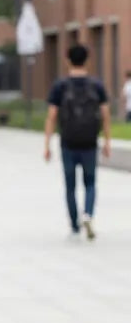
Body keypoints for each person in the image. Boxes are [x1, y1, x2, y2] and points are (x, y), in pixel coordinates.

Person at [44, 44, 111, 240]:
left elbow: (51, 116)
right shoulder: (97, 85)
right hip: (90, 142)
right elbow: (105, 115)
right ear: (87, 60)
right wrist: (107, 141)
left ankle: (74, 225)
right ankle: (88, 214)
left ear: (67, 61)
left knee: (70, 186)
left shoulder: (60, 86)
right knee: (90, 183)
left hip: (68, 142)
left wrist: (47, 144)